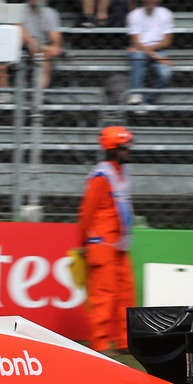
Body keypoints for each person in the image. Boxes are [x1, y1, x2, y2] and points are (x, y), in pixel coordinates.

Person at [77, 125, 136, 355]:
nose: (129, 151)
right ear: (112, 149)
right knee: (103, 298)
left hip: (119, 245)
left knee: (125, 294)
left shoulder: (120, 173)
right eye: (124, 147)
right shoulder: (100, 177)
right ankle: (100, 345)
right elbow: (86, 214)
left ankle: (123, 342)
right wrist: (85, 244)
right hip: (102, 246)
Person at [126, 0, 173, 107]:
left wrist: (149, 51)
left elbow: (167, 41)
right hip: (146, 51)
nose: (151, 0)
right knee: (138, 57)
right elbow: (136, 41)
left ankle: (148, 101)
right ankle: (136, 93)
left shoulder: (165, 13)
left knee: (166, 74)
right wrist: (156, 56)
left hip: (154, 49)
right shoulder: (134, 15)